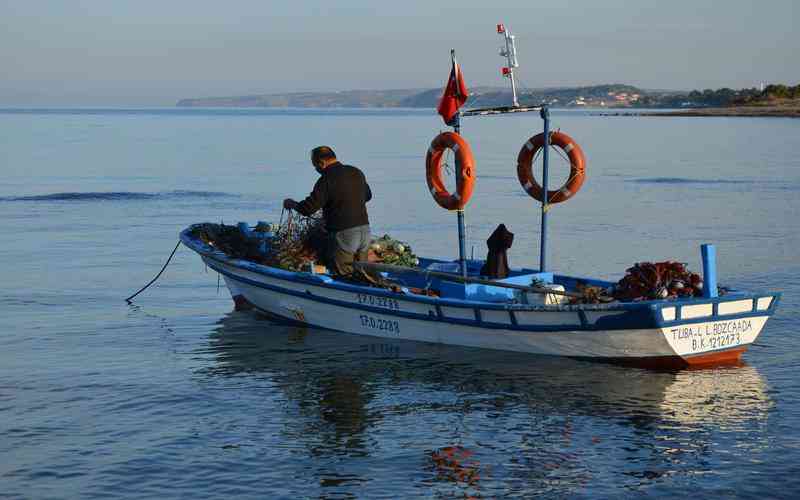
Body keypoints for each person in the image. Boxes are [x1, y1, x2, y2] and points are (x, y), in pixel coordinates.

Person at [283, 146, 372, 277]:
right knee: (363, 275)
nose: (316, 170)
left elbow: (308, 208)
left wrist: (292, 204)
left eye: (315, 166)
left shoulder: (326, 179)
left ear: (322, 163)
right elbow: (368, 196)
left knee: (343, 276)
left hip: (344, 235)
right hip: (365, 231)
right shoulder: (356, 172)